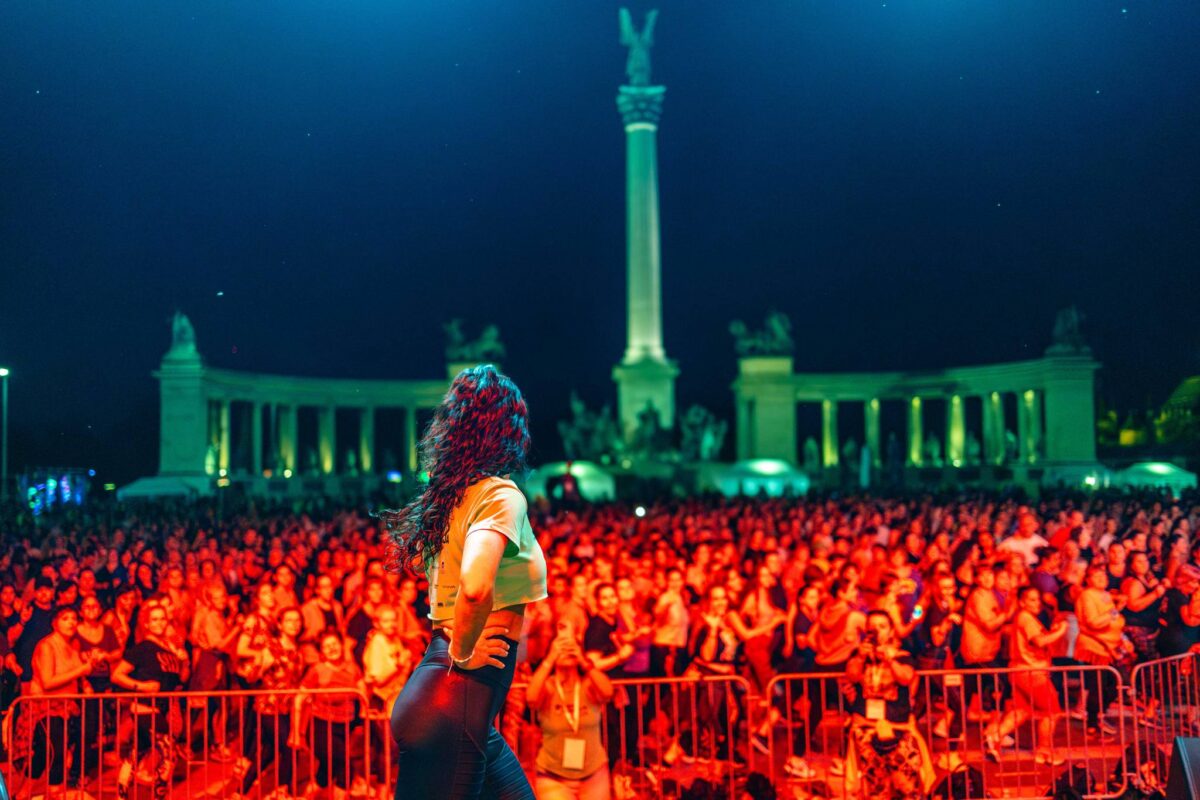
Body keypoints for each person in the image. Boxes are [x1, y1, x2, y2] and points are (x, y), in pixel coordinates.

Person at [387, 365, 547, 800]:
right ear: (507, 427)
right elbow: (476, 586)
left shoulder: (455, 495)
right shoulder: (499, 494)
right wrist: (464, 651)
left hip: (446, 700)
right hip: (456, 697)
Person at [843, 611, 932, 799]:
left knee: (907, 786)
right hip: (867, 729)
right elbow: (851, 675)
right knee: (875, 786)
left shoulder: (902, 655)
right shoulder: (860, 654)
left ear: (891, 631)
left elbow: (906, 677)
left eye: (882, 627)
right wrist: (860, 657)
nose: (877, 632)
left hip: (897, 730)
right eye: (872, 628)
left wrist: (889, 660)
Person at [982, 585, 1068, 765]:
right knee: (1052, 712)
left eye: (1037, 599)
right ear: (1022, 602)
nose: (1037, 603)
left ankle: (995, 738)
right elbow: (1039, 641)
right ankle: (1044, 751)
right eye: (1032, 599)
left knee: (1021, 710)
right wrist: (1061, 631)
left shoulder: (1026, 618)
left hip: (1021, 671)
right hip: (1032, 672)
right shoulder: (1026, 618)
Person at [528, 630, 614, 800]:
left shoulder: (588, 685)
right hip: (553, 777)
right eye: (561, 646)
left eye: (570, 646)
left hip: (594, 774)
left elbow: (607, 692)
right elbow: (531, 698)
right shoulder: (549, 688)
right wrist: (550, 658)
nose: (566, 650)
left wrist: (583, 660)